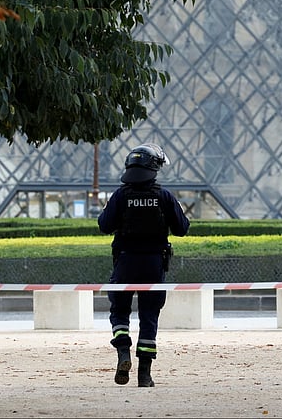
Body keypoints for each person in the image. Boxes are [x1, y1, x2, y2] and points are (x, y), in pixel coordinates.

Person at [98, 143, 191, 387]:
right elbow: (182, 228)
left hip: (125, 261)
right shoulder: (164, 196)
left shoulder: (120, 195)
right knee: (149, 316)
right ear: (154, 168)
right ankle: (144, 375)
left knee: (119, 311)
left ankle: (123, 352)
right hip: (153, 263)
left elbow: (104, 225)